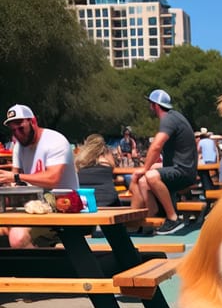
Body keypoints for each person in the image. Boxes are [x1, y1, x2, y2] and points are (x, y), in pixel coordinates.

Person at [0, 104, 79, 247]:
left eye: (21, 128)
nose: (17, 133)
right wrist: (8, 183)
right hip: (32, 207)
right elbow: (15, 181)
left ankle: (35, 268)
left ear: (33, 122)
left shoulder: (55, 141)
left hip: (62, 208)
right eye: (13, 130)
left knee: (18, 237)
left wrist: (16, 178)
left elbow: (52, 179)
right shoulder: (19, 146)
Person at [130, 89, 198, 235]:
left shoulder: (168, 119)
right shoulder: (174, 117)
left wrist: (145, 167)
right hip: (180, 167)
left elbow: (156, 145)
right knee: (143, 181)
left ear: (155, 105)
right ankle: (153, 217)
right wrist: (148, 168)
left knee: (150, 175)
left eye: (150, 104)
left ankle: (173, 218)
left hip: (184, 172)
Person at [75, 134, 120, 206]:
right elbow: (113, 166)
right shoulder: (105, 157)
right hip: (108, 200)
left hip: (83, 202)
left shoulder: (80, 159)